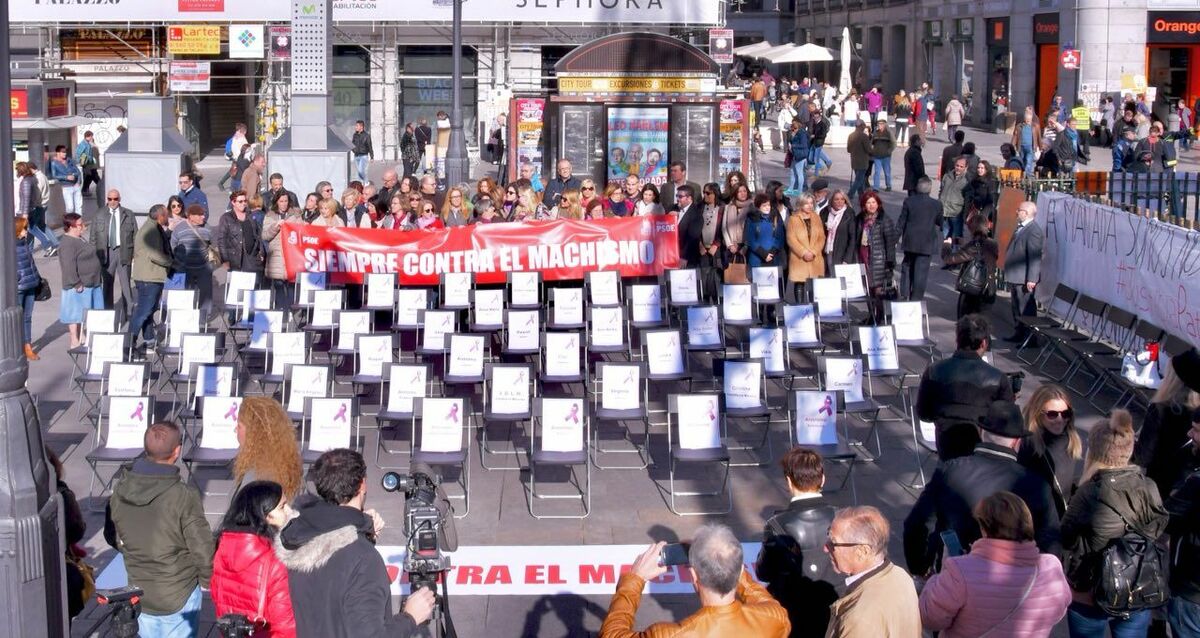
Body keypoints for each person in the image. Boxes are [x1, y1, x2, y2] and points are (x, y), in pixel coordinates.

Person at [275, 449, 434, 637]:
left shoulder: (301, 536)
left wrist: (362, 531)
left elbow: (331, 587)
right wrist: (410, 617)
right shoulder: (362, 559)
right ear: (362, 484)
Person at [904, 400, 1061, 578]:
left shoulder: (950, 470)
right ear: (1017, 442)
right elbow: (1050, 542)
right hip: (1014, 581)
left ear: (980, 432)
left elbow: (917, 523)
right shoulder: (1036, 484)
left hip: (956, 575)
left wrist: (920, 567)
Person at [1062, 411, 1168, 638]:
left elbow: (1065, 534)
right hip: (1138, 584)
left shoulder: (1089, 492)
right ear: (1129, 450)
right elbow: (1159, 527)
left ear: (1094, 450)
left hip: (1089, 589)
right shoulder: (1149, 486)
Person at [104, 420, 214, 637]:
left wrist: (134, 549)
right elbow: (202, 548)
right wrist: (209, 580)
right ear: (177, 451)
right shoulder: (182, 495)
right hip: (178, 591)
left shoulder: (121, 488)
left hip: (140, 589)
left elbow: (111, 535)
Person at [918, 492, 1072, 638]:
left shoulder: (959, 571)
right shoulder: (1051, 568)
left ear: (984, 529)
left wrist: (936, 579)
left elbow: (930, 618)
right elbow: (1057, 612)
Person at [599, 524, 790, 637]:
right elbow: (762, 598)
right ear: (740, 568)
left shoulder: (671, 634)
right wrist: (726, 560)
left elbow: (611, 634)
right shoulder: (776, 617)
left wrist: (634, 580)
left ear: (694, 576)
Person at [756, 447, 838, 637]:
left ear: (788, 482)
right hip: (834, 607)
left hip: (794, 612)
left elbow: (764, 572)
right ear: (823, 479)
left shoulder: (777, 524)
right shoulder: (842, 517)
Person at [915, 314, 1015, 460]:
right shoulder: (998, 378)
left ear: (957, 340)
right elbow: (1004, 422)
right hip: (981, 449)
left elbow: (924, 413)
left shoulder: (934, 370)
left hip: (946, 444)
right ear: (984, 343)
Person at [210, 481, 297, 637]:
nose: (290, 511)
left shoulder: (222, 547)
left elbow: (219, 601)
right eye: (282, 506)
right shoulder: (276, 561)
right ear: (265, 515)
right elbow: (286, 629)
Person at [824, 506, 921, 637]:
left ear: (862, 552)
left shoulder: (859, 619)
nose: (826, 548)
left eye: (833, 543)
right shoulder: (901, 575)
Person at [1135, 348, 1200, 500]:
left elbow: (1143, 457)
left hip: (1156, 485)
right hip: (1186, 488)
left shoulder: (1161, 408)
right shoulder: (1196, 413)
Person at [1017, 384, 1082, 517]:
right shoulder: (1029, 443)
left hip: (1061, 515)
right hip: (1037, 516)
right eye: (1052, 414)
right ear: (1038, 413)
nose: (1060, 420)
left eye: (1065, 414)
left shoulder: (1070, 438)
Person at [1164, 411, 1200, 637]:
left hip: (1192, 592)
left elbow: (1164, 517)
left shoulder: (1196, 483)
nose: (1190, 433)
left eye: (1197, 429)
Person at [128, 205, 173, 352]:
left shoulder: (153, 227)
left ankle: (149, 340)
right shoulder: (151, 231)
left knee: (148, 310)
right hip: (149, 277)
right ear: (160, 216)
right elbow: (154, 254)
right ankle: (127, 344)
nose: (168, 217)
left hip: (149, 276)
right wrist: (171, 262)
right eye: (166, 215)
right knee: (143, 311)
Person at [58, 213, 104, 349]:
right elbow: (68, 266)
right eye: (80, 225)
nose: (83, 227)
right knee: (75, 313)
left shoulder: (79, 238)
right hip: (79, 284)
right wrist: (76, 283)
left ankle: (83, 335)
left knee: (86, 312)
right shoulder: (67, 243)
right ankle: (74, 339)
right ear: (71, 227)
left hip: (91, 281)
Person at [941, 214, 1000, 318]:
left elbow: (949, 259)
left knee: (967, 323)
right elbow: (979, 247)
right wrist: (960, 241)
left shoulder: (972, 246)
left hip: (973, 290)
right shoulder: (993, 244)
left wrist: (946, 245)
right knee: (982, 323)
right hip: (989, 289)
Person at [1002, 201, 1044, 343]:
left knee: (1025, 308)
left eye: (1018, 210)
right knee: (1016, 307)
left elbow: (1034, 257)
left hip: (1023, 277)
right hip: (1015, 275)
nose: (1016, 212)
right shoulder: (1021, 227)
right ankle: (1019, 333)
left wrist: (1031, 279)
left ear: (1026, 213)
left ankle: (1030, 338)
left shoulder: (1033, 231)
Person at [896, 176, 941, 301]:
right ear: (930, 189)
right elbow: (940, 221)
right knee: (921, 273)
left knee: (907, 267)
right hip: (926, 244)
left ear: (917, 187)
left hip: (910, 241)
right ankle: (916, 299)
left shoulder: (909, 201)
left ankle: (904, 294)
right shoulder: (936, 204)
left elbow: (901, 222)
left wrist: (894, 239)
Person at [856, 191, 898, 321]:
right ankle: (872, 316)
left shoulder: (884, 220)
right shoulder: (859, 219)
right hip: (864, 258)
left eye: (874, 202)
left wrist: (890, 264)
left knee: (879, 292)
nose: (871, 205)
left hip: (879, 261)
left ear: (878, 203)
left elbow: (890, 243)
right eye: (868, 203)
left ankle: (879, 318)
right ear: (864, 205)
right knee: (868, 291)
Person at [171, 205, 216, 323]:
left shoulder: (207, 228)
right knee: (186, 294)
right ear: (191, 216)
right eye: (200, 215)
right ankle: (187, 318)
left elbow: (214, 244)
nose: (203, 216)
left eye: (203, 214)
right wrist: (178, 263)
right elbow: (173, 245)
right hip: (185, 269)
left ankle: (203, 319)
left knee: (206, 294)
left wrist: (210, 264)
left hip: (203, 268)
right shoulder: (179, 228)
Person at [262, 193, 303, 314]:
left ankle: (291, 312)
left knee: (291, 286)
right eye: (281, 201)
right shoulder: (270, 216)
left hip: (291, 256)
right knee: (279, 285)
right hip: (277, 257)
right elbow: (265, 235)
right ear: (276, 202)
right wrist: (275, 226)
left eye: (286, 201)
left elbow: (302, 232)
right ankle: (281, 312)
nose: (284, 204)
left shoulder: (295, 215)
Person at [215, 190, 266, 276]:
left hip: (251, 258)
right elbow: (221, 240)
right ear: (233, 202)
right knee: (237, 287)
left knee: (252, 287)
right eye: (240, 201)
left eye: (245, 201)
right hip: (235, 258)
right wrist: (225, 260)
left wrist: (261, 252)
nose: (243, 203)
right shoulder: (226, 218)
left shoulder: (251, 215)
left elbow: (259, 236)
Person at [786, 193, 826, 304]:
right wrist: (803, 252)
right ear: (800, 204)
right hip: (799, 258)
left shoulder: (816, 217)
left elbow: (821, 237)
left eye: (811, 203)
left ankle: (814, 310)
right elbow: (791, 239)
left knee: (814, 285)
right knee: (799, 283)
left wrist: (813, 252)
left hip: (815, 257)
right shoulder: (793, 219)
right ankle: (800, 310)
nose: (809, 206)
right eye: (806, 203)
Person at [14, 217, 42, 360]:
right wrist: (17, 277)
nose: (27, 231)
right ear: (17, 230)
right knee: (16, 318)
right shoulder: (9, 247)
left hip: (30, 284)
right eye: (24, 229)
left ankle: (27, 347)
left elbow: (31, 264)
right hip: (19, 287)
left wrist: (37, 279)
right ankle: (16, 347)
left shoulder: (24, 244)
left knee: (27, 317)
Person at [26, 162, 61, 256]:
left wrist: (32, 205)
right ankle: (56, 243)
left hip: (38, 205)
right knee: (42, 226)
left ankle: (47, 245)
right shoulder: (43, 176)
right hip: (44, 204)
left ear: (30, 169)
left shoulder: (37, 178)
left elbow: (37, 195)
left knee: (31, 227)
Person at [821, 190, 857, 275]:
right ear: (831, 201)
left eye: (842, 199)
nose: (839, 202)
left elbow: (852, 239)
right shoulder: (825, 212)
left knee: (840, 281)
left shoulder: (849, 214)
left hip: (842, 254)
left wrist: (847, 259)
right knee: (829, 278)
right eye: (836, 199)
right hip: (827, 252)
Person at [745, 193, 785, 270]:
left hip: (774, 258)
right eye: (764, 205)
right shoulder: (752, 218)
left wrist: (772, 252)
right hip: (756, 259)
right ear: (758, 206)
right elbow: (750, 239)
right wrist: (763, 254)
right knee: (759, 282)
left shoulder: (775, 217)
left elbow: (780, 237)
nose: (767, 208)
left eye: (768, 205)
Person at [939, 156, 970, 239]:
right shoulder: (947, 176)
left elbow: (968, 199)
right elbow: (941, 190)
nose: (958, 168)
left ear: (966, 167)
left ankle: (955, 251)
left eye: (961, 166)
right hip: (945, 211)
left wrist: (965, 214)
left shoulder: (967, 180)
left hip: (956, 213)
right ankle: (947, 250)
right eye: (957, 165)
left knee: (956, 236)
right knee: (945, 235)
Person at [722, 183, 752, 267]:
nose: (743, 193)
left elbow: (753, 229)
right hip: (731, 246)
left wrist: (745, 246)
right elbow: (724, 227)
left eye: (744, 191)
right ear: (735, 193)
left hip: (746, 246)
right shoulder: (728, 207)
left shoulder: (752, 207)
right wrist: (730, 245)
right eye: (739, 192)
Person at [962, 160, 999, 225]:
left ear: (986, 169)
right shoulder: (974, 181)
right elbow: (968, 193)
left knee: (980, 223)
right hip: (975, 208)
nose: (979, 170)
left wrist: (983, 213)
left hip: (987, 207)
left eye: (982, 168)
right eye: (978, 168)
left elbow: (991, 199)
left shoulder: (991, 181)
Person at [50, 144, 83, 215]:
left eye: (65, 152)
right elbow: (54, 175)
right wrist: (66, 177)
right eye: (63, 152)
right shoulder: (54, 163)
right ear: (58, 153)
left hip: (76, 186)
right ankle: (69, 222)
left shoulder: (69, 160)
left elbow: (78, 171)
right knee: (70, 208)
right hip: (66, 187)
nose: (65, 154)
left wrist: (78, 182)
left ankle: (79, 222)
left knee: (79, 207)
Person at [219, 124, 250, 191]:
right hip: (239, 159)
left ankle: (221, 183)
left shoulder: (235, 137)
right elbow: (246, 149)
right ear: (244, 131)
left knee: (233, 171)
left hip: (235, 157)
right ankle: (223, 183)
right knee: (239, 172)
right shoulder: (242, 139)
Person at [846, 122, 872, 201]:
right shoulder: (864, 136)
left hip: (854, 161)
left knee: (860, 179)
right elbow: (868, 150)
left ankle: (862, 196)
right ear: (861, 126)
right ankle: (849, 195)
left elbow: (849, 149)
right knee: (859, 180)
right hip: (863, 162)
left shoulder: (851, 135)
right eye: (864, 126)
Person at [869, 119, 896, 191]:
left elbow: (894, 143)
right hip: (877, 156)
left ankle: (888, 185)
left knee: (887, 172)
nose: (879, 125)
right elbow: (871, 143)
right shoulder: (875, 133)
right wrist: (872, 151)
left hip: (886, 157)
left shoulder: (889, 133)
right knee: (877, 172)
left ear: (884, 125)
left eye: (881, 124)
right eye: (878, 124)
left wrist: (889, 151)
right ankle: (876, 187)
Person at [75, 130, 101, 198]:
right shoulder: (83, 144)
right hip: (87, 165)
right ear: (88, 136)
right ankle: (101, 188)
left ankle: (85, 190)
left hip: (89, 164)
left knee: (89, 177)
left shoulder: (87, 144)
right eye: (91, 136)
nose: (92, 138)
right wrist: (84, 163)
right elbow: (79, 154)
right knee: (92, 176)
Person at [808, 109, 833, 174]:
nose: (815, 119)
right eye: (814, 117)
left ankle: (816, 174)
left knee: (816, 159)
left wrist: (815, 136)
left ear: (820, 117)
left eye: (817, 117)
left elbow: (823, 135)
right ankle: (826, 163)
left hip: (819, 143)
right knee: (811, 158)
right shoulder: (815, 124)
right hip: (814, 143)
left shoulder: (822, 125)